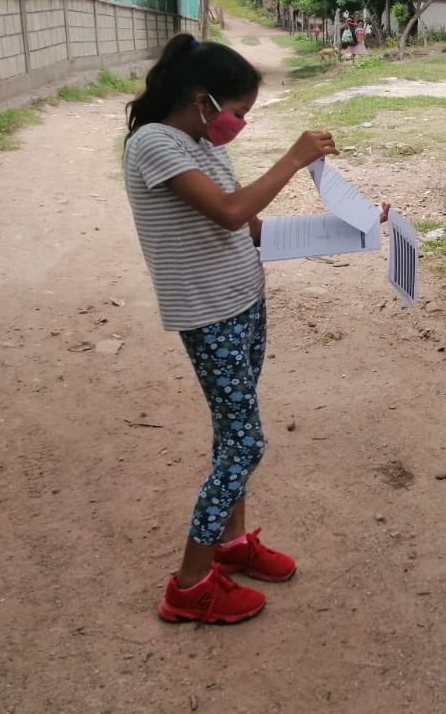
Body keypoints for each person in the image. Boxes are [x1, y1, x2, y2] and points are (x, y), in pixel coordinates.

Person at [124, 33, 340, 623]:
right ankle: (190, 586)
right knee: (245, 442)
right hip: (209, 313)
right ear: (202, 100)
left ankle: (232, 544)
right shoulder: (155, 145)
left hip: (243, 300)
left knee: (231, 431)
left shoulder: (198, 141)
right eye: (238, 112)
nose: (239, 125)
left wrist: (350, 229)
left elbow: (245, 228)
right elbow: (229, 211)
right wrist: (294, 158)